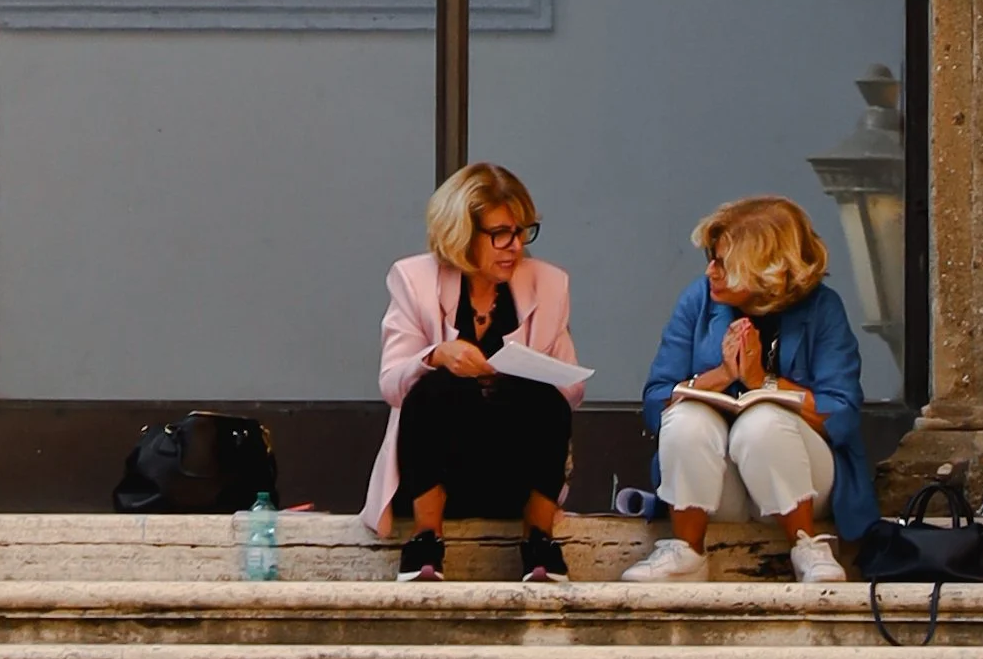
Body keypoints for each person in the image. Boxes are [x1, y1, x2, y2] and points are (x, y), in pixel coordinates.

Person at [626, 195, 870, 587]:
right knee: (685, 416)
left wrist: (764, 384)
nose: (710, 271)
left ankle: (807, 545)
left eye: (722, 262)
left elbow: (840, 416)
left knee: (764, 420)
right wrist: (720, 376)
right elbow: (656, 402)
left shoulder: (823, 309)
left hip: (803, 478)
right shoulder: (698, 301)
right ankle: (687, 551)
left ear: (764, 268)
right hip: (719, 486)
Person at [371, 164, 581, 583]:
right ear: (462, 235)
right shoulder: (414, 279)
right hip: (443, 468)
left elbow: (571, 389)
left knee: (541, 397)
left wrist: (520, 376)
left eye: (522, 232)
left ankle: (539, 541)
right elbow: (392, 384)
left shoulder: (549, 283)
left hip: (515, 468)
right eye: (500, 233)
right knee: (438, 388)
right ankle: (426, 540)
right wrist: (436, 355)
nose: (515, 246)